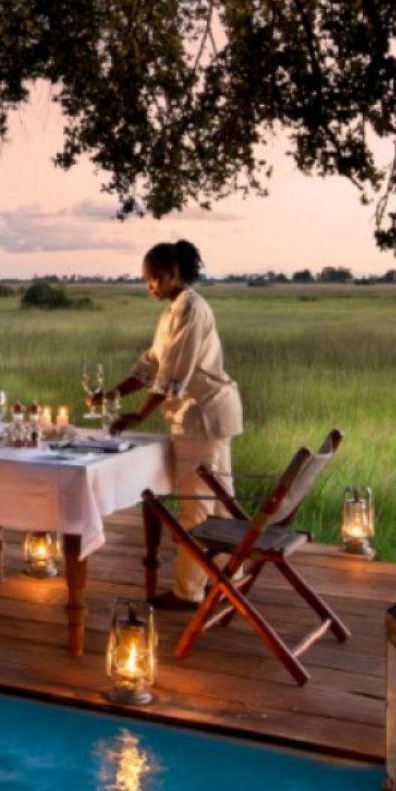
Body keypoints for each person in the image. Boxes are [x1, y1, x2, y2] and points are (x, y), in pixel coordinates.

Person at [97, 240, 243, 610]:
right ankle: (228, 578)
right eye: (145, 279)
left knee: (198, 507)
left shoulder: (191, 308)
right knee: (221, 503)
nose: (149, 286)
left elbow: (173, 375)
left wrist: (139, 414)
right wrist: (114, 393)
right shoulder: (172, 311)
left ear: (173, 274)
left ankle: (189, 592)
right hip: (203, 416)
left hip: (201, 417)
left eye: (153, 278)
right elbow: (152, 363)